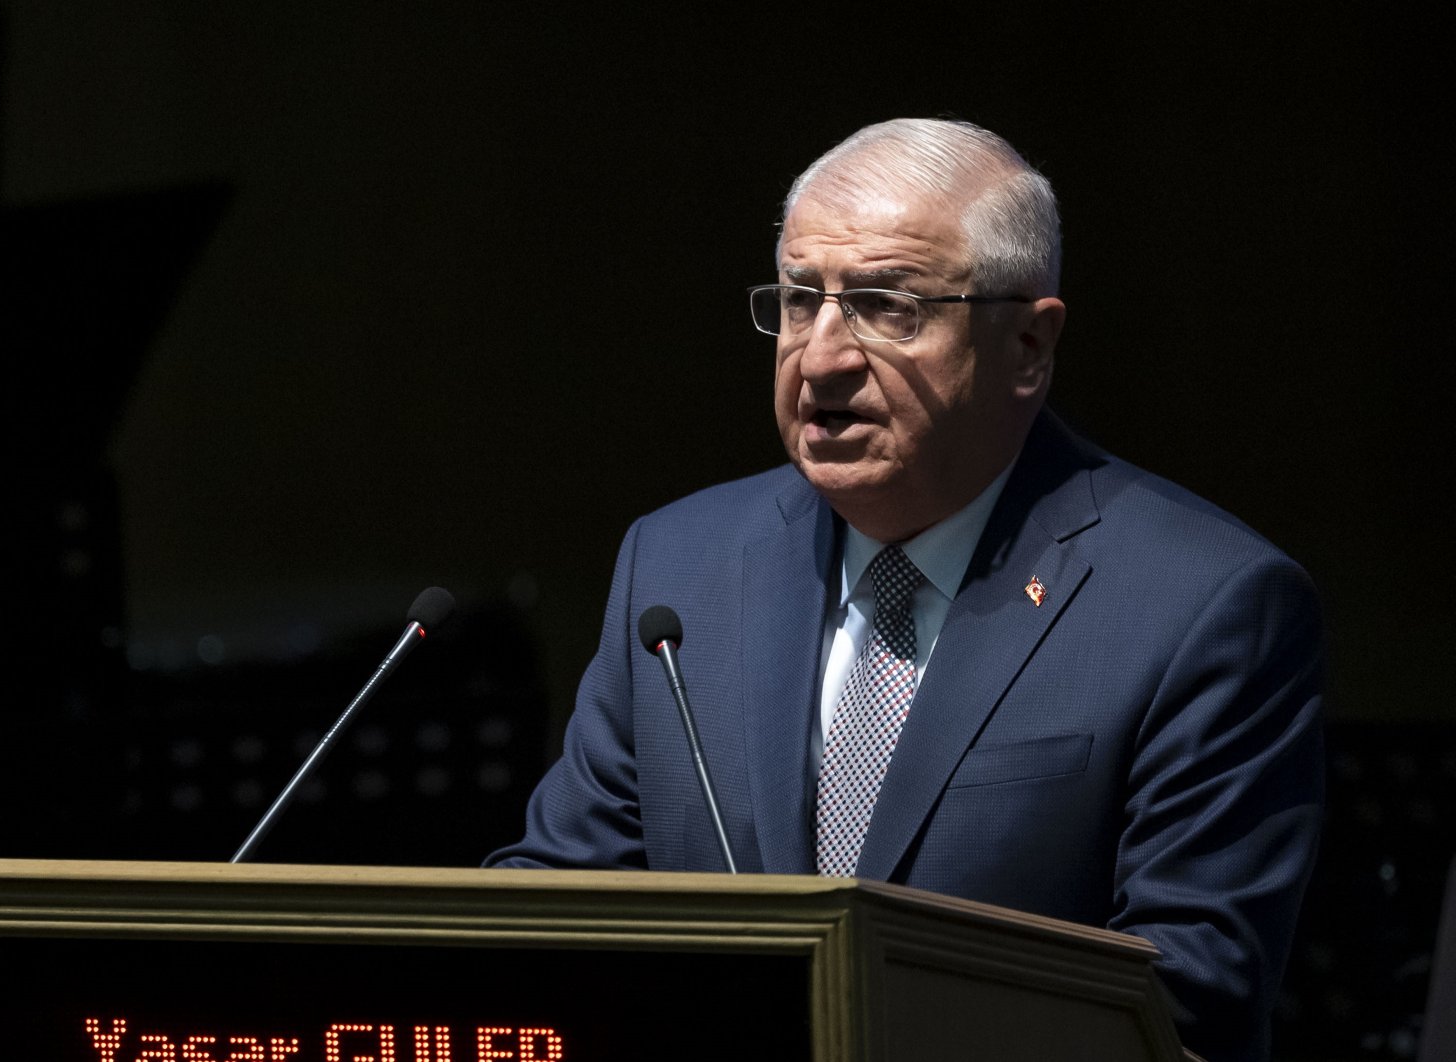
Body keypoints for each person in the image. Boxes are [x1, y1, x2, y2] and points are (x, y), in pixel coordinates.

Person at [485, 117, 1324, 1062]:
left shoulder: (1201, 605)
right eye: (802, 301)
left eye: (889, 307)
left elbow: (1186, 1010)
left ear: (1027, 348)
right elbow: (552, 919)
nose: (823, 355)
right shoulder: (679, 567)